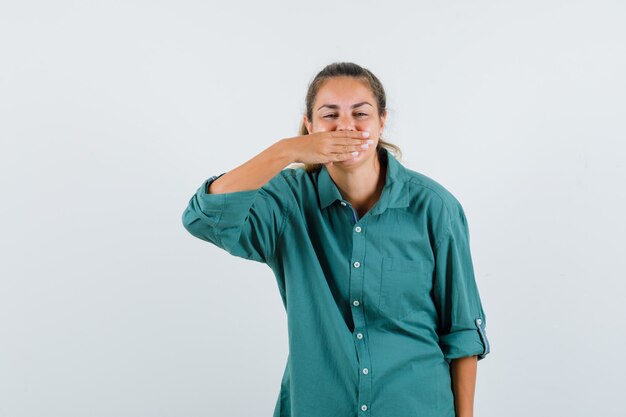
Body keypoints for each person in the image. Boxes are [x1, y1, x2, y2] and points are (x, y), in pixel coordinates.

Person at [181, 62, 490, 417]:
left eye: (361, 113)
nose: (346, 126)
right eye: (330, 115)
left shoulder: (434, 207)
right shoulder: (288, 203)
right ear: (309, 126)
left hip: (416, 405)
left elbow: (463, 331)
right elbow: (203, 218)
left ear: (381, 121)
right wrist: (285, 152)